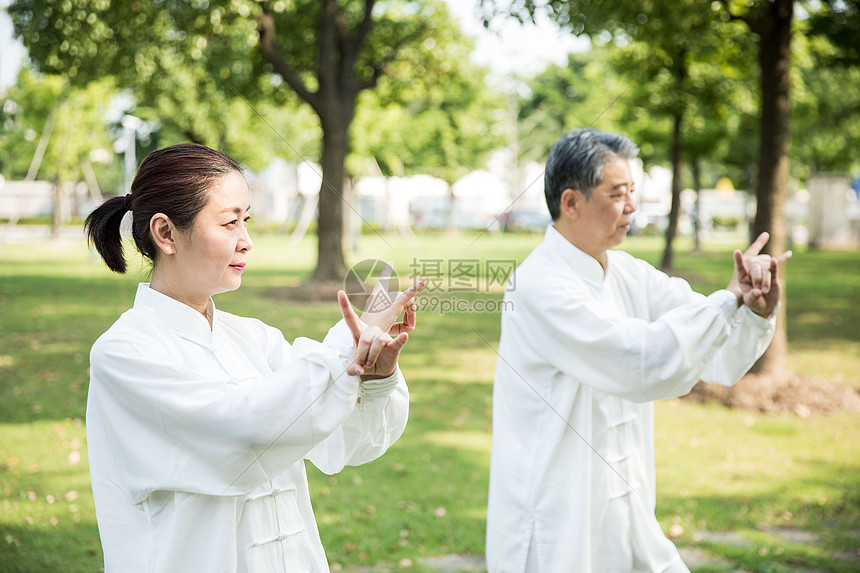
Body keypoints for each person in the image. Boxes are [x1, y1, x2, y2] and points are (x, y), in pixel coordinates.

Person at [84, 143, 422, 572]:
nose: (246, 241)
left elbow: (345, 443)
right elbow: (244, 437)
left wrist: (373, 374)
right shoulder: (126, 353)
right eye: (228, 223)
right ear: (166, 233)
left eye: (246, 220)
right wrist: (347, 352)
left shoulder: (255, 338)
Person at [485, 129, 791, 573]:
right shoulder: (538, 285)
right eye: (617, 193)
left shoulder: (628, 272)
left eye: (633, 192)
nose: (631, 206)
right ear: (571, 203)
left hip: (626, 508)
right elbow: (640, 361)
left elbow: (713, 346)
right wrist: (727, 303)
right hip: (557, 520)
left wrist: (754, 308)